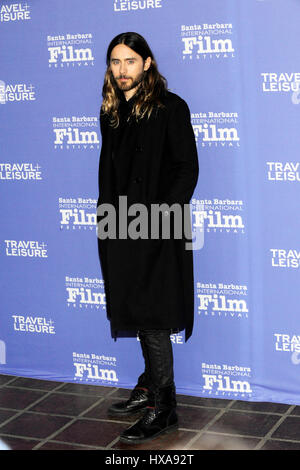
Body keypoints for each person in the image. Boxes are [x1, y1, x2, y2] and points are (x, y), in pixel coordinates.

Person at [97, 32, 199, 444]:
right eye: (115, 62)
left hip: (158, 225)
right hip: (118, 224)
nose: (122, 69)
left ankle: (165, 406)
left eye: (130, 61)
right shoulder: (111, 112)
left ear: (148, 63)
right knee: (136, 308)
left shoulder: (172, 109)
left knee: (154, 317)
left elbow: (186, 169)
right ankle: (147, 384)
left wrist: (160, 218)